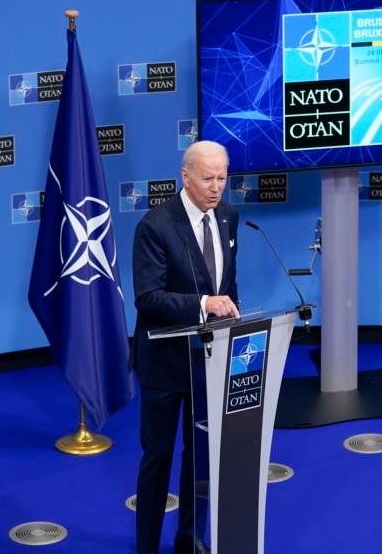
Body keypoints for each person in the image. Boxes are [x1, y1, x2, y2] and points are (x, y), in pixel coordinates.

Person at [131, 140, 240, 554]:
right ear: (186, 176)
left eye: (222, 178)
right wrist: (202, 305)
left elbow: (227, 285)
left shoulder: (228, 216)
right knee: (158, 458)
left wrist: (230, 314)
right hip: (164, 363)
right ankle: (147, 546)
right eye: (208, 179)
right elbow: (148, 298)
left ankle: (190, 538)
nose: (217, 188)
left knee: (201, 457)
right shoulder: (155, 226)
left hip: (208, 362)